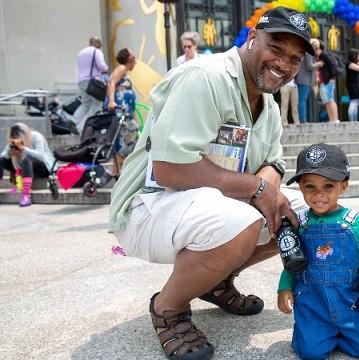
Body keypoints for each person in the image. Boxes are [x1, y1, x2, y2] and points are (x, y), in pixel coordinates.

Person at [108, 7, 315, 360]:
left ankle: (215, 281)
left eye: (294, 59)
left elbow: (274, 162)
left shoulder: (267, 100)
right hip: (150, 207)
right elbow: (170, 169)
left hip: (200, 207)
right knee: (241, 220)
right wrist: (258, 188)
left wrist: (268, 184)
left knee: (304, 215)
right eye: (276, 49)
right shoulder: (206, 77)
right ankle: (168, 308)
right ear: (252, 38)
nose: (283, 64)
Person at [278, 144, 359, 359]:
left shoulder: (354, 221)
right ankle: (315, 333)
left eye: (328, 186)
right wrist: (284, 287)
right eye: (310, 186)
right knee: (311, 354)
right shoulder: (298, 223)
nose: (319, 194)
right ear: (300, 187)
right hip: (313, 304)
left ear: (343, 186)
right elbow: (291, 260)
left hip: (350, 301)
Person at [0, 123, 56, 207]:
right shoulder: (13, 142)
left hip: (44, 166)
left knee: (26, 159)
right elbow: (2, 156)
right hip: (23, 168)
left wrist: (24, 148)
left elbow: (41, 155)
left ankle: (26, 195)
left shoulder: (36, 136)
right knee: (1, 160)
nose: (17, 141)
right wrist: (9, 153)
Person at [106, 48, 139, 177]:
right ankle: (123, 171)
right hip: (121, 113)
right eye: (133, 55)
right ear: (128, 58)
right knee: (125, 139)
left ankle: (117, 171)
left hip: (126, 113)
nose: (135, 58)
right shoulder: (121, 68)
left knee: (126, 138)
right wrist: (111, 101)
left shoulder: (124, 71)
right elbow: (111, 82)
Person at [73, 36, 109, 132]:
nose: (100, 45)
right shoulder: (96, 51)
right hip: (92, 82)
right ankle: (92, 125)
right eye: (99, 43)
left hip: (81, 81)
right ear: (96, 43)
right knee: (97, 104)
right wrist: (106, 69)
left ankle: (74, 121)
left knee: (85, 103)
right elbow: (102, 66)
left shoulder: (81, 53)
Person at [314, 40, 339, 122]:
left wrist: (332, 78)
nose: (315, 49)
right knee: (327, 101)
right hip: (322, 82)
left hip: (328, 81)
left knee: (330, 99)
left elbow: (332, 66)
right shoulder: (318, 57)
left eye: (317, 47)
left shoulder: (324, 55)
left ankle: (335, 119)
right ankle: (332, 119)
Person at [295, 51, 322, 123]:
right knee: (302, 100)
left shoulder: (305, 54)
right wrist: (319, 64)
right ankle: (303, 120)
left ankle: (303, 119)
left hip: (303, 80)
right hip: (305, 80)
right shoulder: (309, 54)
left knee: (302, 100)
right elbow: (309, 66)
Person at [346, 48, 359, 122]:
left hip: (355, 84)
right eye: (358, 55)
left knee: (356, 102)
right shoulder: (349, 64)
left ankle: (354, 119)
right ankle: (352, 120)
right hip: (352, 85)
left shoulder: (352, 63)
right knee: (353, 102)